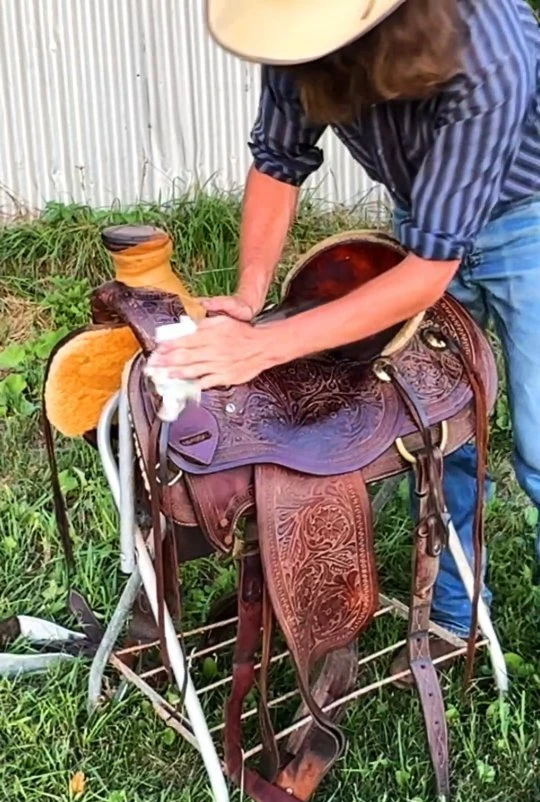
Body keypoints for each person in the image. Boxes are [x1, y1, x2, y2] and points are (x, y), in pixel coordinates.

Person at [154, 0, 540, 679]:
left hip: (528, 220)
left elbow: (426, 272)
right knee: (438, 425)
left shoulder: (491, 49)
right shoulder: (295, 25)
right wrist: (250, 297)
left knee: (539, 452)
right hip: (424, 215)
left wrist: (265, 347)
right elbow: (279, 161)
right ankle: (455, 610)